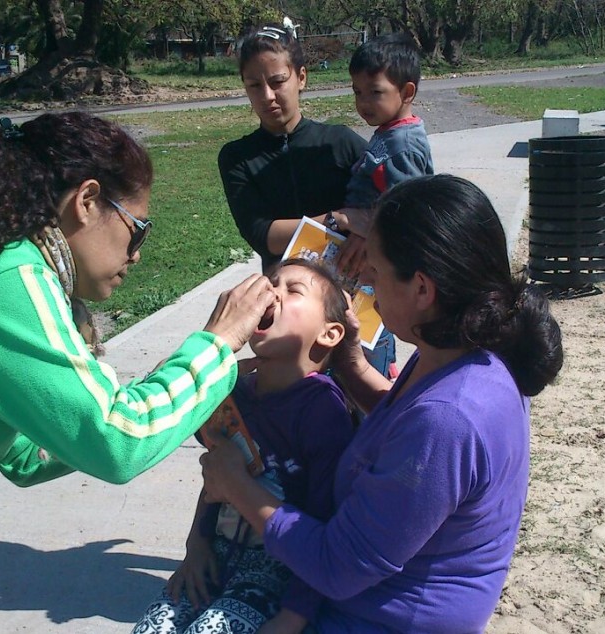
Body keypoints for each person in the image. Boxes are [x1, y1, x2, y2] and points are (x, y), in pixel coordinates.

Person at [0, 112, 276, 633]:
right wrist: (219, 344)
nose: (137, 256)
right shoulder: (1, 275)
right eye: (138, 230)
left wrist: (154, 395)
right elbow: (118, 442)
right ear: (87, 201)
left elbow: (26, 454)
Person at [199, 174, 564, 634]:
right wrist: (351, 362)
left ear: (422, 289)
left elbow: (336, 566)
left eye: (374, 269)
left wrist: (237, 486)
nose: (364, 281)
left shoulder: (451, 418)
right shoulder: (464, 352)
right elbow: (400, 421)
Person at [134, 259, 355, 634]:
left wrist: (294, 616)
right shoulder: (232, 390)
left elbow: (325, 517)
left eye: (292, 290)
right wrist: (196, 545)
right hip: (215, 556)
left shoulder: (323, 411)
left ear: (329, 334)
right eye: (271, 282)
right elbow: (216, 473)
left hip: (278, 571)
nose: (271, 293)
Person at [217, 24, 366, 274]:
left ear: (301, 78)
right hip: (286, 290)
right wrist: (337, 219)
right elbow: (262, 235)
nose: (267, 96)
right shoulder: (237, 157)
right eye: (254, 85)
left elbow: (394, 198)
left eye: (277, 81)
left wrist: (366, 233)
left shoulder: (339, 142)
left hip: (350, 287)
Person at [332, 32, 436, 378]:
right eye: (357, 92)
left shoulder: (402, 144)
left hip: (378, 262)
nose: (364, 102)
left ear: (407, 92)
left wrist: (364, 228)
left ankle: (377, 380)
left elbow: (407, 211)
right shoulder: (390, 131)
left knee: (368, 327)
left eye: (375, 92)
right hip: (369, 259)